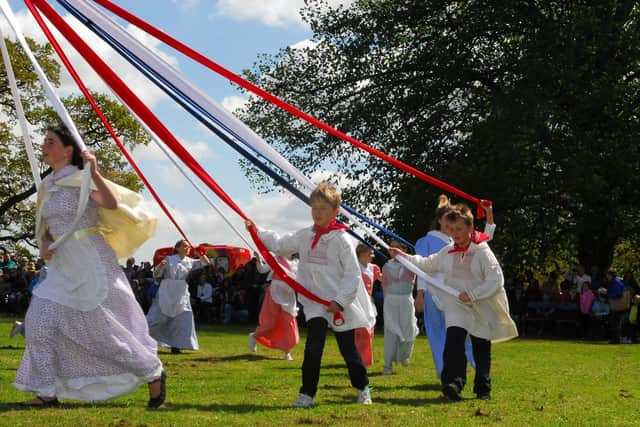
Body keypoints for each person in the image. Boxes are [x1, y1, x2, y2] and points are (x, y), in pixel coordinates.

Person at [14, 124, 165, 408]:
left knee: (101, 331)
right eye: (44, 141)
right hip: (62, 264)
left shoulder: (81, 178)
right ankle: (46, 391)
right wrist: (46, 240)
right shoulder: (48, 185)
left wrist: (94, 171)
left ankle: (152, 372)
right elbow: (48, 225)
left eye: (50, 141)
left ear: (67, 149)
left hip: (90, 259)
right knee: (39, 321)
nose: (44, 145)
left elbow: (110, 202)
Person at [245, 182, 376, 408]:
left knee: (348, 350)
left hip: (339, 304)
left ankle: (362, 388)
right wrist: (257, 231)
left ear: (335, 212)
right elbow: (280, 244)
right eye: (314, 208)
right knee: (313, 347)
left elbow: (352, 275)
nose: (317, 213)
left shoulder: (342, 240)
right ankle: (307, 394)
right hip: (315, 302)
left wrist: (339, 301)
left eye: (323, 208)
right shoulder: (305, 235)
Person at [390, 203, 517, 401]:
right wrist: (403, 256)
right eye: (451, 230)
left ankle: (483, 389)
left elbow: (495, 280)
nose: (455, 234)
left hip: (481, 304)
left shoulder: (482, 252)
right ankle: (453, 383)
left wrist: (473, 294)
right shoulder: (448, 251)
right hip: (457, 304)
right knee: (453, 342)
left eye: (459, 229)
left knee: (481, 346)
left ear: (470, 228)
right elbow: (428, 264)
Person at [414, 195, 495, 379]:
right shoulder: (427, 242)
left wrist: (489, 213)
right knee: (439, 336)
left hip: (458, 295)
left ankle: (471, 367)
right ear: (441, 220)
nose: (452, 228)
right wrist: (420, 294)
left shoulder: (461, 241)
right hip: (434, 294)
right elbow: (423, 268)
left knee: (464, 333)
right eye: (449, 221)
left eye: (456, 224)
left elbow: (486, 237)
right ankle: (446, 373)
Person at [147, 239, 208, 354]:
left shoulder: (190, 261)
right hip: (167, 290)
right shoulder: (169, 259)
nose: (187, 248)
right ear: (177, 248)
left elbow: (205, 263)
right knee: (157, 318)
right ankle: (143, 337)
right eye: (184, 246)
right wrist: (160, 266)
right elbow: (157, 274)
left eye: (188, 246)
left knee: (182, 318)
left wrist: (200, 253)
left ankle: (177, 345)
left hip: (181, 291)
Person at [249, 251, 300, 360]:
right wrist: (258, 259)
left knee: (288, 323)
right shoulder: (276, 259)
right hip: (275, 292)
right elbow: (262, 270)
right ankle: (254, 336)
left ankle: (287, 351)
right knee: (270, 323)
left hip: (288, 295)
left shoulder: (297, 263)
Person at [381, 239, 419, 375]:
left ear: (405, 249)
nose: (394, 250)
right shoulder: (386, 267)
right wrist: (387, 301)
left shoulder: (411, 265)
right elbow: (384, 285)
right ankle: (387, 364)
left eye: (397, 247)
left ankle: (404, 355)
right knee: (391, 330)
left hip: (406, 299)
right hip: (391, 301)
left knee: (409, 328)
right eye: (392, 247)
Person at [354, 244, 378, 367]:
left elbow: (384, 280)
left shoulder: (373, 268)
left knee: (370, 329)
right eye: (370, 253)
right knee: (360, 330)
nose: (372, 256)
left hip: (368, 302)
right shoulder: (354, 267)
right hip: (357, 302)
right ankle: (360, 358)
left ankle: (364, 358)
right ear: (362, 253)